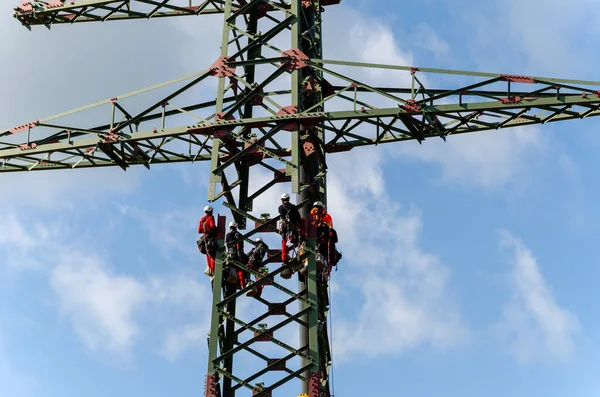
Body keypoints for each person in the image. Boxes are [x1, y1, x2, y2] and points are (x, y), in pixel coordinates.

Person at [310, 201, 338, 274]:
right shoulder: (311, 216)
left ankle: (326, 271)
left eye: (318, 207)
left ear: (321, 208)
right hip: (316, 237)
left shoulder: (327, 216)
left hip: (325, 237)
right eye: (315, 207)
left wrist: (323, 225)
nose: (316, 209)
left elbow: (330, 228)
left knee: (330, 253)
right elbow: (310, 227)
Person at [277, 193, 303, 262]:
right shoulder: (293, 207)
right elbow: (298, 218)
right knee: (295, 240)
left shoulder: (281, 208)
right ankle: (297, 256)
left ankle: (285, 259)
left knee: (286, 242)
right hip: (290, 227)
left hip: (286, 227)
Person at [197, 205, 218, 277]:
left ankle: (211, 271)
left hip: (205, 239)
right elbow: (212, 226)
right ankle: (214, 271)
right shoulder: (210, 218)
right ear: (210, 211)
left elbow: (199, 231)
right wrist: (217, 229)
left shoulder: (202, 219)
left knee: (208, 255)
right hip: (211, 238)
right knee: (212, 255)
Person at [225, 221, 246, 289]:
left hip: (232, 254)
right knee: (238, 269)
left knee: (232, 267)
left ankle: (235, 280)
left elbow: (226, 245)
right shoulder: (239, 235)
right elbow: (241, 245)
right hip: (237, 255)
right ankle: (241, 284)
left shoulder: (228, 235)